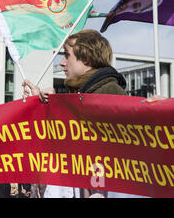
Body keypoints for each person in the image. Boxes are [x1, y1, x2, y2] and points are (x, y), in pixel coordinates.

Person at [23, 29, 127, 198]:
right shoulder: (81, 95)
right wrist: (42, 106)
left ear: (85, 58)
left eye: (67, 55)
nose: (62, 62)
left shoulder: (110, 93)